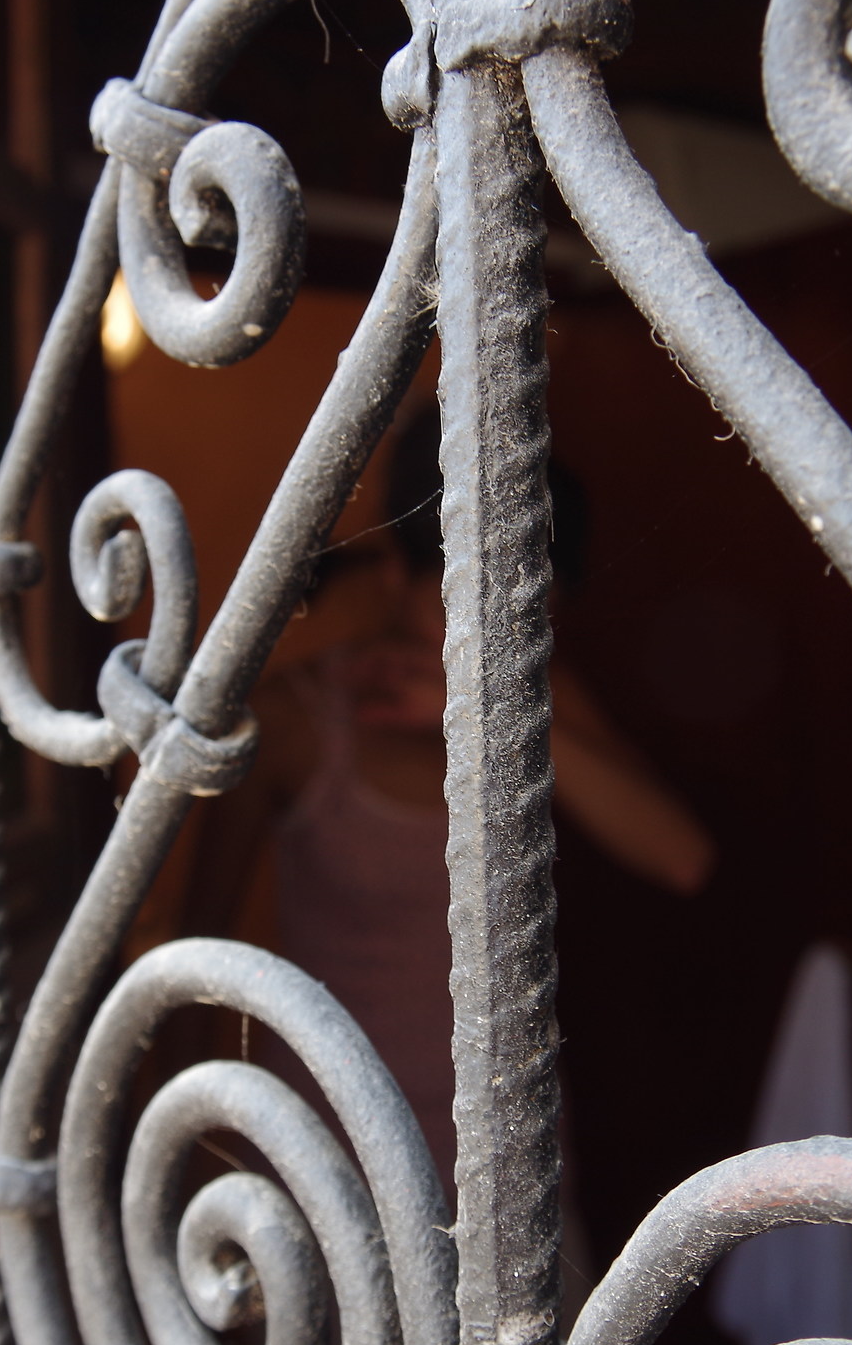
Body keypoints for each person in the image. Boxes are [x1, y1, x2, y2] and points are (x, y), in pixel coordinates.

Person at [183, 412, 716, 1180]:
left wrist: (485, 709)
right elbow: (204, 938)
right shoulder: (296, 716)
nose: (501, 633)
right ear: (399, 577)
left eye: (529, 611)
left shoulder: (534, 693)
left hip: (507, 1142)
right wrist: (203, 1150)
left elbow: (682, 856)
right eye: (472, 599)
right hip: (333, 1138)